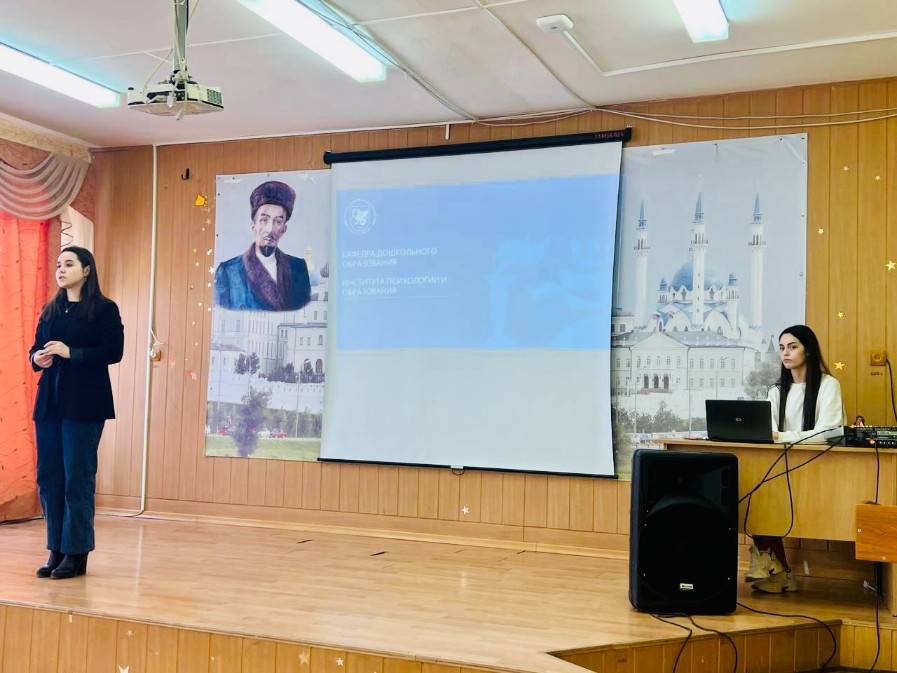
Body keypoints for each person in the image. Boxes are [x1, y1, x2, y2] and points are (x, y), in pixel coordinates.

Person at [30, 246, 124, 579]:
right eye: (58, 264)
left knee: (77, 479)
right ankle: (56, 548)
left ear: (86, 270)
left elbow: (114, 352)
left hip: (85, 405)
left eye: (69, 264)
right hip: (49, 405)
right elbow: (35, 348)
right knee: (49, 477)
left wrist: (72, 353)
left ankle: (76, 552)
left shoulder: (104, 309)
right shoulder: (51, 310)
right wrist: (37, 358)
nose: (61, 269)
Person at [747, 324, 844, 593]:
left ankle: (776, 570)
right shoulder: (776, 391)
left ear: (808, 350)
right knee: (757, 496)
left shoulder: (828, 385)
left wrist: (782, 436)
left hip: (819, 469)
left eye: (792, 347)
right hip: (781, 468)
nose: (785, 353)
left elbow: (827, 433)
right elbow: (768, 434)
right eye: (781, 348)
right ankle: (774, 569)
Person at [214, 180, 311, 311]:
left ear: (284, 229)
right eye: (264, 220)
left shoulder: (298, 268)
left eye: (278, 221)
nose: (270, 229)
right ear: (253, 226)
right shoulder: (228, 272)